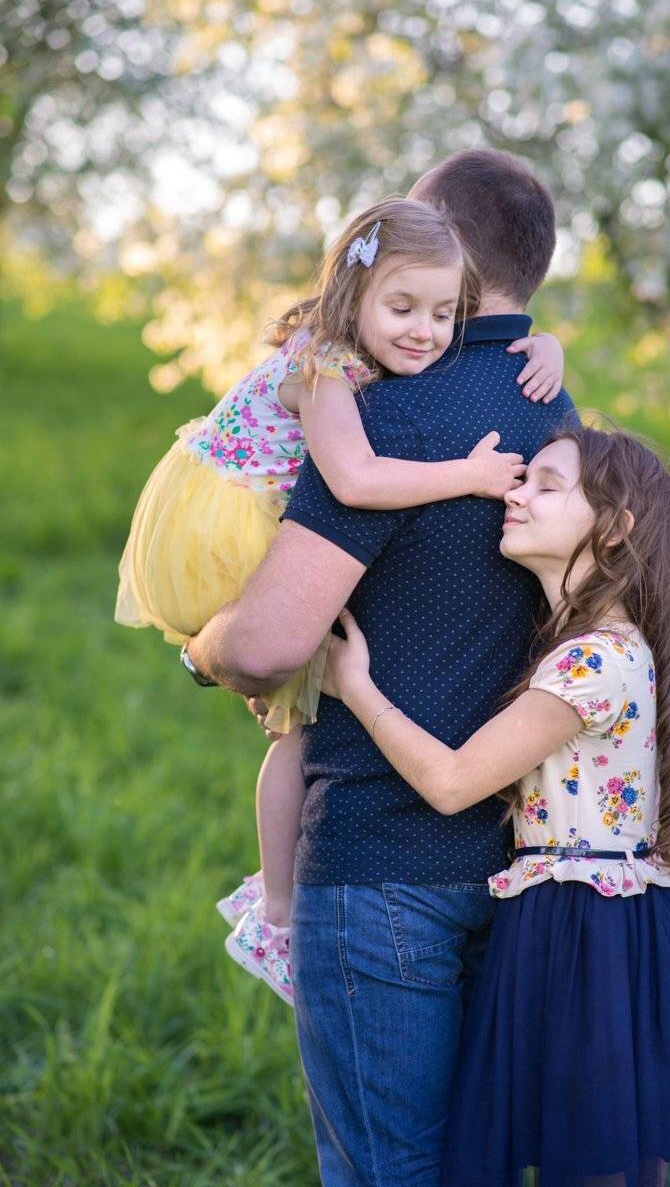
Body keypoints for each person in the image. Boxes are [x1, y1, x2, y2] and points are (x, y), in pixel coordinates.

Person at [185, 147, 578, 1185]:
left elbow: (270, 644)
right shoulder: (563, 421)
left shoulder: (389, 414)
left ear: (452, 255)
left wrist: (203, 652)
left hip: (380, 862)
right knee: (479, 1160)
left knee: (387, 1168)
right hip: (521, 855)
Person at [115, 195, 564, 1006]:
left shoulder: (367, 350)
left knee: (296, 724)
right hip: (222, 527)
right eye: (402, 308)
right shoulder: (324, 366)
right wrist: (467, 474)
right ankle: (280, 912)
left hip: (249, 508)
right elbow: (354, 481)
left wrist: (545, 343)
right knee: (294, 728)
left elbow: (477, 332)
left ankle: (277, 903)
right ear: (351, 295)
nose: (424, 332)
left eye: (444, 314)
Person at [322, 426, 670, 1187]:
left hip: (582, 927)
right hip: (604, 919)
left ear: (614, 527)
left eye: (546, 485)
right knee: (612, 1153)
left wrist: (355, 686)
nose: (517, 493)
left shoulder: (589, 658)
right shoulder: (607, 646)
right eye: (523, 477)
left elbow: (452, 783)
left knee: (591, 1158)